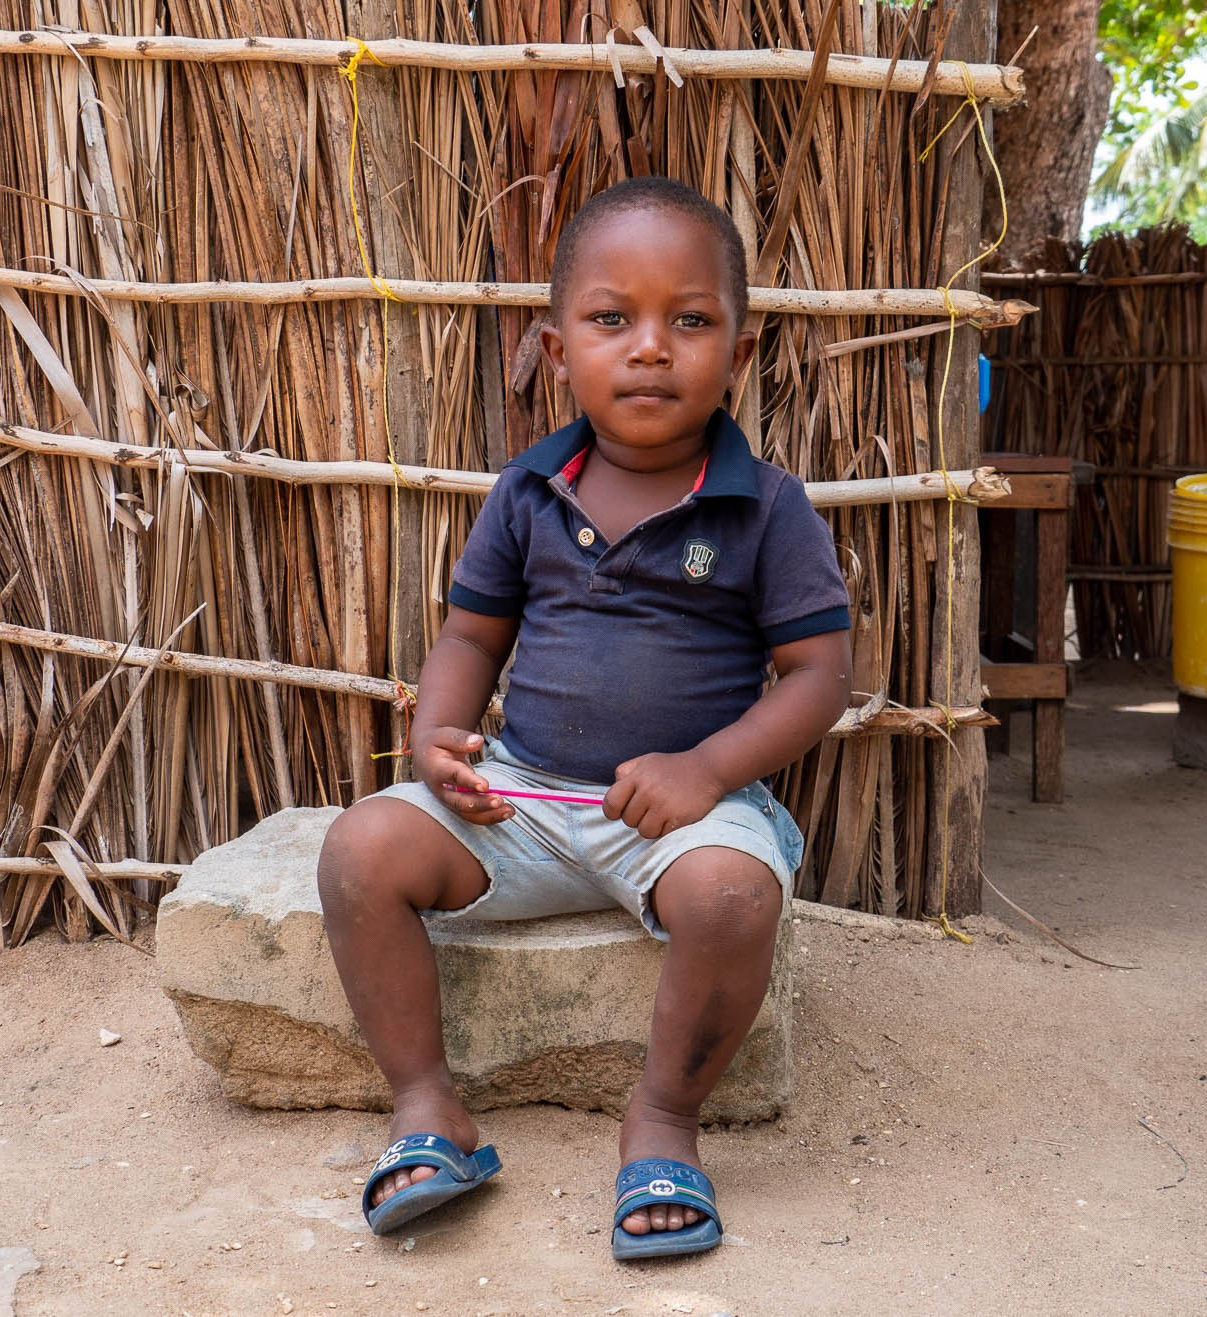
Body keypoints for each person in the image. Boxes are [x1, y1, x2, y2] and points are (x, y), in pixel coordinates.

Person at [316, 175, 853, 1261]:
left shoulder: (767, 508)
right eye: (612, 319)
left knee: (736, 894)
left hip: (679, 815)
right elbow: (470, 640)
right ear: (557, 351)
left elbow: (816, 677)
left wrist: (704, 771)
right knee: (358, 848)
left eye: (689, 320)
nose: (649, 347)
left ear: (738, 355)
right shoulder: (526, 491)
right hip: (521, 796)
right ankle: (427, 1107)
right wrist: (438, 748)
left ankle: (661, 1120)